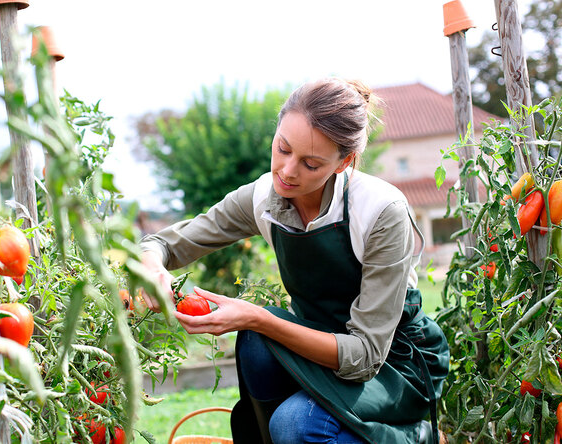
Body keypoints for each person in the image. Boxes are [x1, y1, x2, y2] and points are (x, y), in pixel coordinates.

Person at [139, 77, 450, 444]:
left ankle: (416, 436)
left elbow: (366, 355)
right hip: (321, 349)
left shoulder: (381, 211)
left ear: (343, 162)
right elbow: (163, 243)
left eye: (311, 164)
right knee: (257, 344)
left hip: (392, 366)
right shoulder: (262, 199)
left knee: (295, 423)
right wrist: (151, 267)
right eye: (283, 148)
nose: (287, 171)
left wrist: (259, 317)